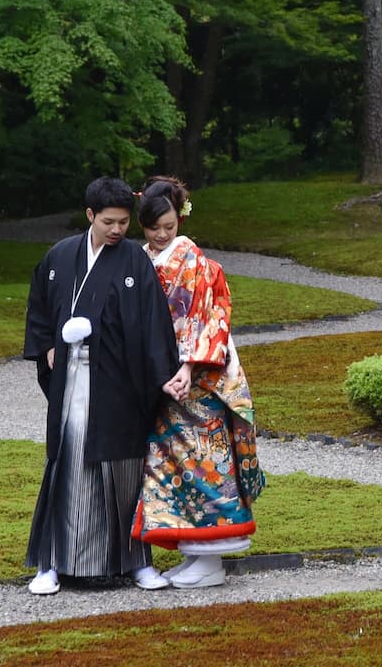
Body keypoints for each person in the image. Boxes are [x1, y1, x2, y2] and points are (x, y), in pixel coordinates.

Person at [21, 176, 182, 595]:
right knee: (69, 460)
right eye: (109, 221)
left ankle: (136, 562)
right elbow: (39, 307)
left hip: (121, 382)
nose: (117, 230)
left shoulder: (133, 260)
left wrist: (162, 377)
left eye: (124, 223)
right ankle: (52, 562)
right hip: (74, 376)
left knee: (124, 469)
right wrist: (48, 348)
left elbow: (152, 324)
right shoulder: (60, 256)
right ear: (90, 215)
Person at [131, 176, 263, 588]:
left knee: (206, 461)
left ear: (179, 218)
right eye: (155, 228)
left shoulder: (189, 257)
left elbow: (205, 318)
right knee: (174, 464)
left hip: (199, 378)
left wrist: (187, 368)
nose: (162, 234)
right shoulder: (141, 257)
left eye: (169, 226)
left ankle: (212, 560)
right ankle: (193, 553)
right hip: (163, 377)